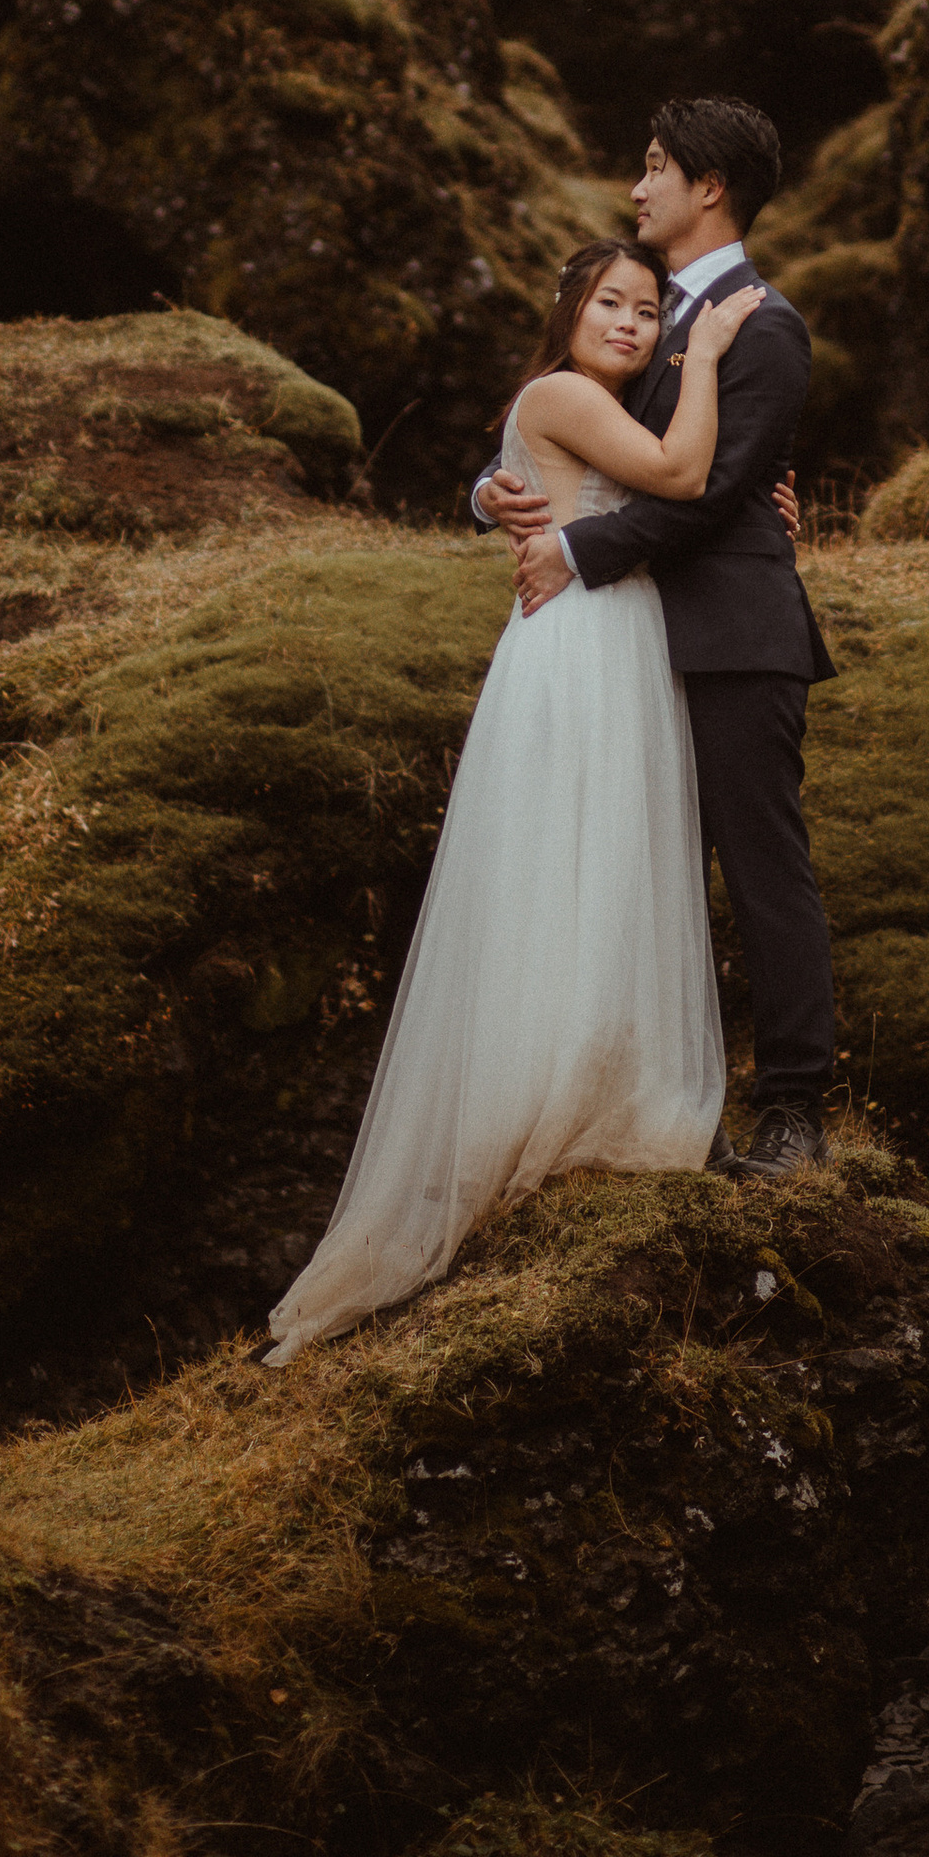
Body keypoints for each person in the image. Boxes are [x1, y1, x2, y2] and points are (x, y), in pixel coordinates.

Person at [262, 240, 758, 1361]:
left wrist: (491, 497)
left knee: (603, 856)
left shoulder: (583, 402)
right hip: (584, 642)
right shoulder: (566, 393)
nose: (630, 323)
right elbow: (679, 476)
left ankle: (589, 1079)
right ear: (569, 310)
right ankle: (556, 1099)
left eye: (648, 311)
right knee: (576, 853)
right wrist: (709, 351)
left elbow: (558, 483)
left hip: (614, 633)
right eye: (609, 303)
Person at [484, 94, 838, 1183]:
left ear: (708, 186)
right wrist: (493, 493)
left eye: (653, 168)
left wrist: (577, 550)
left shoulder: (763, 324)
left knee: (761, 870)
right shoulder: (645, 311)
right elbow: (574, 424)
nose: (636, 189)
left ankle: (795, 1111)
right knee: (637, 872)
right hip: (630, 645)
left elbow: (713, 493)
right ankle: (656, 1103)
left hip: (731, 635)